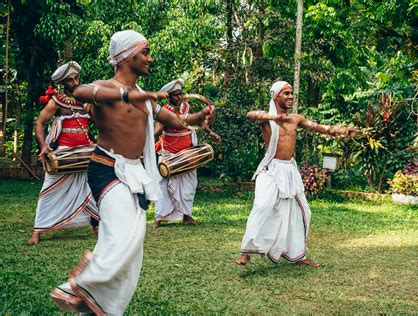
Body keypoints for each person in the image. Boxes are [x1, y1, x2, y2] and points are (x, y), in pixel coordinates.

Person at [50, 30, 215, 315]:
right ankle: (79, 284)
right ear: (128, 56)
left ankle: (97, 305)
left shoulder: (145, 98)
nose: (150, 58)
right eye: (146, 52)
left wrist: (197, 118)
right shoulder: (105, 88)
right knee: (122, 234)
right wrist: (127, 94)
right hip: (107, 169)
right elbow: (81, 92)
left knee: (132, 240)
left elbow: (175, 120)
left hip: (135, 173)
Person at [235, 81, 356, 268]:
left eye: (292, 93)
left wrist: (341, 131)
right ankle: (246, 251)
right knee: (262, 205)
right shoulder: (267, 119)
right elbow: (250, 115)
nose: (291, 97)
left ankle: (297, 255)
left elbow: (319, 127)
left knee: (302, 212)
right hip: (271, 169)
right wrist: (272, 118)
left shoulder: (295, 119)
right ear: (276, 96)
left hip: (289, 170)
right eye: (286, 93)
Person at [27, 61, 99, 245]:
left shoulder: (86, 100)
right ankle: (38, 230)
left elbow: (99, 123)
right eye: (70, 80)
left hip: (85, 151)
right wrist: (43, 146)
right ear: (62, 83)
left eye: (76, 79)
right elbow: (39, 122)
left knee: (92, 188)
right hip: (64, 153)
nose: (74, 83)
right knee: (48, 190)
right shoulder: (57, 101)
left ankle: (96, 226)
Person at [151, 79, 220, 228]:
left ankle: (186, 216)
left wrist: (210, 132)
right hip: (168, 151)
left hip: (187, 151)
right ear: (169, 96)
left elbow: (197, 122)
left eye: (180, 94)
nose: (179, 97)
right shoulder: (164, 111)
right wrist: (148, 140)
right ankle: (159, 218)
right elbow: (157, 130)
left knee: (190, 183)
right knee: (163, 183)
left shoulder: (186, 106)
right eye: (175, 95)